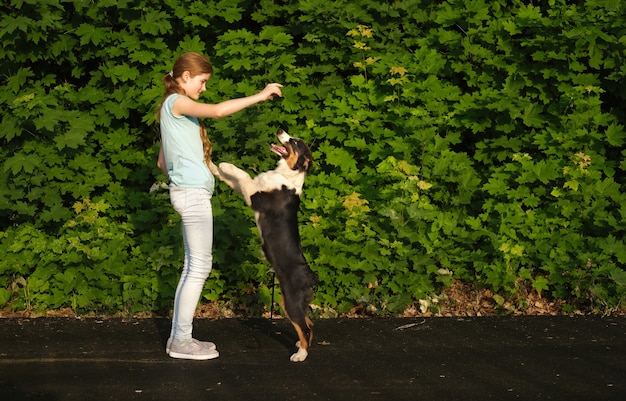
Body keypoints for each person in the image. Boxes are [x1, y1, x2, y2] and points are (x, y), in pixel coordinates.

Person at [156, 52, 283, 360]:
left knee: (193, 267)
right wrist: (262, 94)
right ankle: (180, 342)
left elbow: (163, 162)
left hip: (189, 192)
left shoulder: (173, 112)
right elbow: (218, 111)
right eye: (202, 81)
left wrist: (199, 173)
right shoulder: (176, 102)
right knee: (199, 267)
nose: (204, 88)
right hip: (192, 195)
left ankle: (180, 338)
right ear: (185, 77)